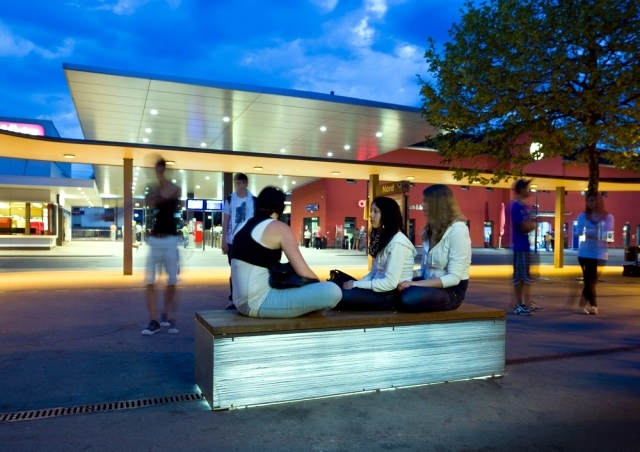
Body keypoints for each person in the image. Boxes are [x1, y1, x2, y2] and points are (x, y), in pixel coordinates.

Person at [231, 186, 342, 318]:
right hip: (257, 302)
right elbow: (304, 272)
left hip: (238, 300)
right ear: (281, 207)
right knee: (333, 291)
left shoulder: (242, 225)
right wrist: (317, 290)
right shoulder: (278, 227)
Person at [396, 184, 471, 312]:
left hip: (450, 291)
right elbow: (425, 270)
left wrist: (416, 283)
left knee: (409, 297)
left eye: (426, 201)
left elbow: (454, 278)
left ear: (438, 203)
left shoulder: (458, 230)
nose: (422, 205)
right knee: (395, 284)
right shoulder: (428, 230)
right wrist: (404, 275)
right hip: (428, 282)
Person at [335, 197, 416, 310]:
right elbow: (374, 272)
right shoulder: (384, 238)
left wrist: (356, 284)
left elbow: (390, 283)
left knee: (338, 297)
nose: (371, 215)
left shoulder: (398, 243)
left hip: (391, 295)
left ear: (387, 214)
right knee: (337, 290)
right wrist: (356, 284)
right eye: (371, 211)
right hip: (379, 290)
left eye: (376, 211)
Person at [141, 158, 181, 335]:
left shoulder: (173, 188)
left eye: (161, 170)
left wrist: (155, 192)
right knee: (149, 281)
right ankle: (153, 320)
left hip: (171, 239)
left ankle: (168, 314)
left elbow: (164, 197)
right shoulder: (153, 188)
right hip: (155, 240)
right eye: (157, 171)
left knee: (172, 281)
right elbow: (148, 202)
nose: (159, 174)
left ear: (165, 171)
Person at [222, 173, 257, 309]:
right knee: (234, 270)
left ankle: (248, 298)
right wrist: (224, 240)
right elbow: (226, 220)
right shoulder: (230, 200)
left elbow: (256, 221)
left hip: (248, 241)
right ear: (235, 184)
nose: (240, 186)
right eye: (238, 183)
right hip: (233, 241)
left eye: (243, 183)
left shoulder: (253, 200)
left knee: (249, 270)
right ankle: (233, 299)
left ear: (247, 184)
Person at [510, 178, 545, 315]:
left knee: (526, 277)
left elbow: (528, 224)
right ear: (521, 190)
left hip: (524, 246)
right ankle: (519, 305)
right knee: (520, 278)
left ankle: (527, 302)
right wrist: (533, 225)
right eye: (527, 188)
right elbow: (524, 227)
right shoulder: (516, 207)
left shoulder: (524, 207)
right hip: (519, 247)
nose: (529, 190)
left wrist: (531, 224)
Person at [576, 192, 614, 315]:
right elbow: (578, 232)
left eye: (593, 200)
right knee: (589, 281)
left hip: (601, 253)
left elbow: (610, 237)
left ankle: (583, 306)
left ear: (599, 201)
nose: (590, 203)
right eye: (588, 201)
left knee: (592, 281)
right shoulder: (583, 216)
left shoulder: (608, 217)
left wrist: (593, 234)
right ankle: (592, 306)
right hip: (585, 253)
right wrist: (592, 233)